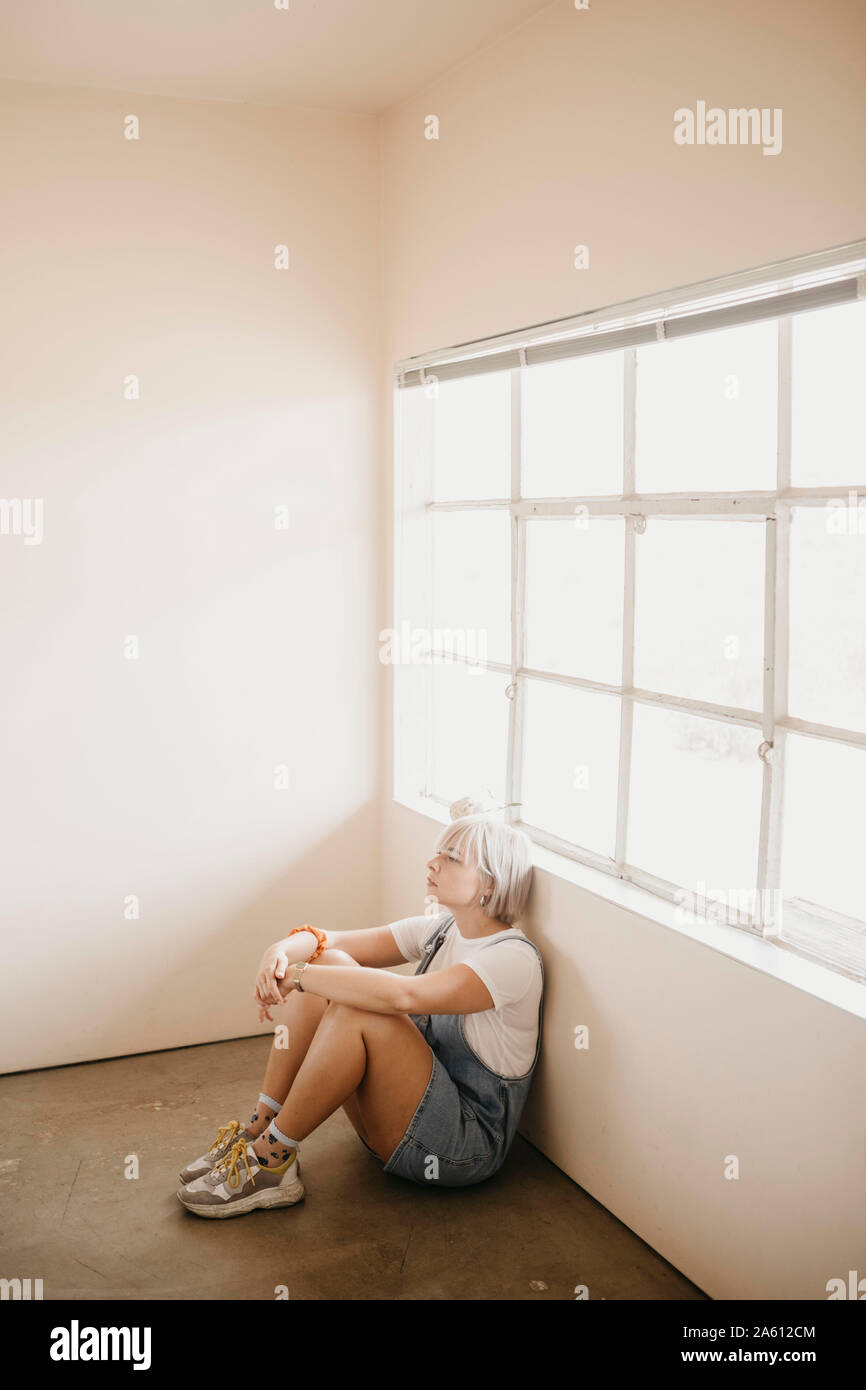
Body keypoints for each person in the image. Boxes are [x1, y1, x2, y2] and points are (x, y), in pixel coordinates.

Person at [177, 813, 543, 1217]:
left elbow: (402, 996)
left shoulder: (513, 959)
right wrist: (277, 954)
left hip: (458, 1151)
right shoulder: (443, 931)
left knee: (360, 1007)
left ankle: (273, 1160)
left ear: (489, 883)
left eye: (452, 858)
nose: (432, 863)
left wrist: (299, 977)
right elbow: (327, 942)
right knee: (332, 963)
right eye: (437, 853)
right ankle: (261, 1127)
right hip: (401, 1126)